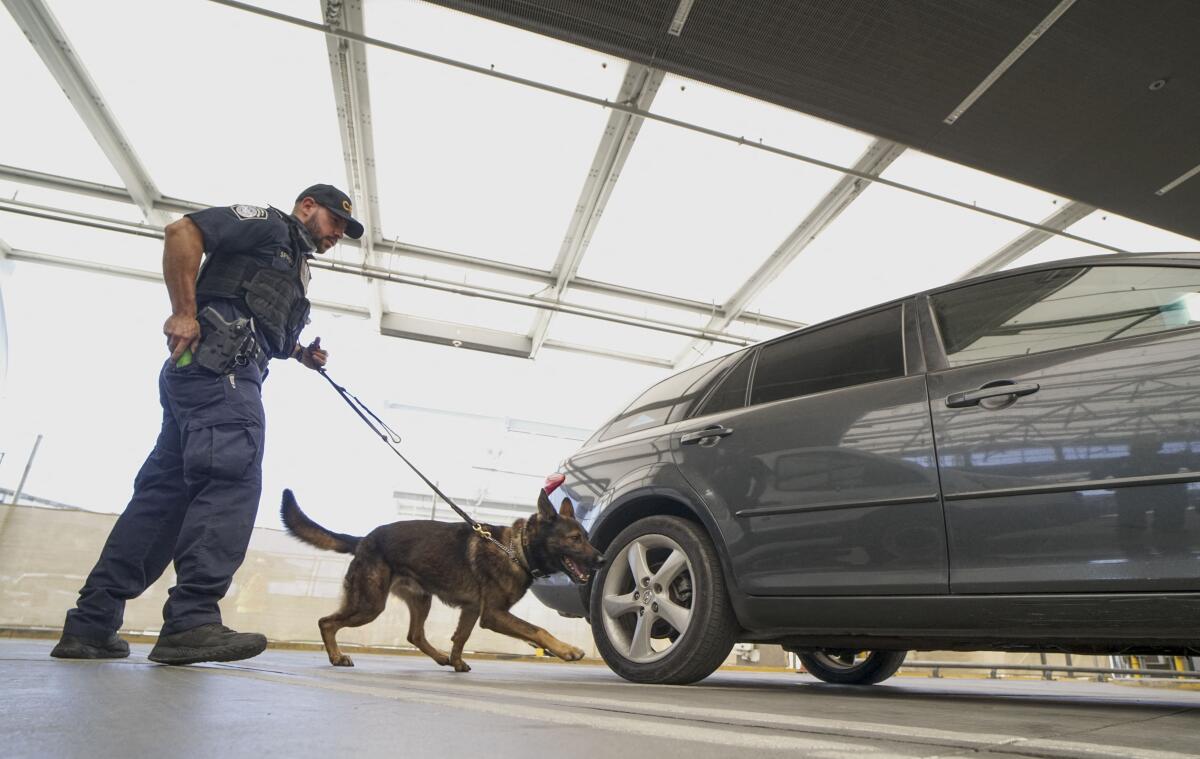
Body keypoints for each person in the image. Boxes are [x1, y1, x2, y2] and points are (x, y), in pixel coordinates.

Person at [50, 184, 364, 665]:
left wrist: (302, 354)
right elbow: (183, 231)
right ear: (307, 207)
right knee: (230, 479)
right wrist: (182, 311)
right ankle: (192, 621)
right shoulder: (267, 223)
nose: (338, 234)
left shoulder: (295, 267)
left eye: (344, 229)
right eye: (334, 221)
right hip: (222, 372)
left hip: (202, 378)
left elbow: (263, 323)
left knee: (161, 502)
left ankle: (91, 625)